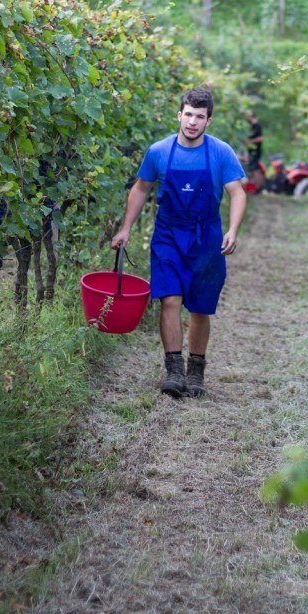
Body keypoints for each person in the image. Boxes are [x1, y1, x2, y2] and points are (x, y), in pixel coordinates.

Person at [111, 88, 247, 399]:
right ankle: (174, 369)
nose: (193, 122)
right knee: (169, 300)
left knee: (200, 307)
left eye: (200, 116)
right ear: (179, 115)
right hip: (169, 234)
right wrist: (125, 228)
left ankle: (196, 370)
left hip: (206, 237)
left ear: (208, 121)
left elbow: (237, 193)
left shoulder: (220, 152)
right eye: (188, 114)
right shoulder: (159, 151)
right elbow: (141, 188)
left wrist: (233, 230)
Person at [246, 110, 265, 193]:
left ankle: (258, 188)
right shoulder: (252, 126)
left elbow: (261, 138)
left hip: (255, 151)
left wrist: (250, 142)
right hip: (252, 151)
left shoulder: (257, 126)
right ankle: (257, 188)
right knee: (254, 169)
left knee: (255, 169)